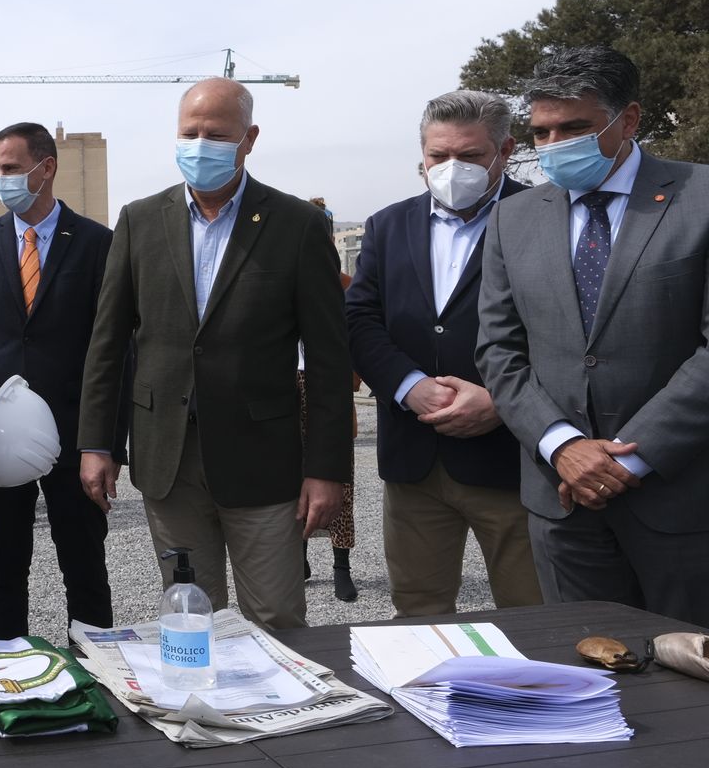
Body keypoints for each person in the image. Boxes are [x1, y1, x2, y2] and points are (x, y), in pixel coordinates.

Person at [76, 78, 353, 630]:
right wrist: (95, 444)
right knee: (189, 618)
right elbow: (108, 342)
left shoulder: (295, 225)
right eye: (190, 133)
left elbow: (327, 359)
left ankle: (276, 714)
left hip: (262, 464)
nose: (201, 145)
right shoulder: (139, 220)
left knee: (275, 618)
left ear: (248, 139)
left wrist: (327, 471)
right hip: (167, 461)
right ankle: (201, 712)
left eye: (216, 134)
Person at [478, 46, 709, 627]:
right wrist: (562, 446)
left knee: (689, 684)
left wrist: (628, 462)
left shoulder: (699, 198)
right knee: (590, 672)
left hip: (680, 502)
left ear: (628, 120)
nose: (554, 143)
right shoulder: (514, 217)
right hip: (561, 503)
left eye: (574, 128)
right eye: (542, 131)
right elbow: (500, 350)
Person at [346, 92, 541, 617]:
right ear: (422, 158)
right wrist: (410, 386)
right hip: (416, 458)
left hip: (513, 461)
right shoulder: (387, 225)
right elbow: (359, 319)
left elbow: (568, 334)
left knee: (533, 615)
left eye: (471, 156)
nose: (453, 168)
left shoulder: (545, 217)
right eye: (439, 156)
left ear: (506, 151)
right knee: (418, 616)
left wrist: (503, 401)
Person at [0, 121, 122, 637]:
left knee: (85, 569)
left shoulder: (97, 243)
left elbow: (113, 348)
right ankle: (11, 680)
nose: (0, 179)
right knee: (2, 570)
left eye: (9, 168)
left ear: (45, 168)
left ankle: (99, 676)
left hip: (77, 437)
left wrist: (106, 444)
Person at [300, 197, 359, 604]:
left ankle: (341, 567)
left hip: (329, 389)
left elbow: (358, 338)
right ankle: (298, 556)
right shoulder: (282, 279)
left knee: (340, 483)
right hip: (285, 389)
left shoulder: (345, 285)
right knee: (288, 480)